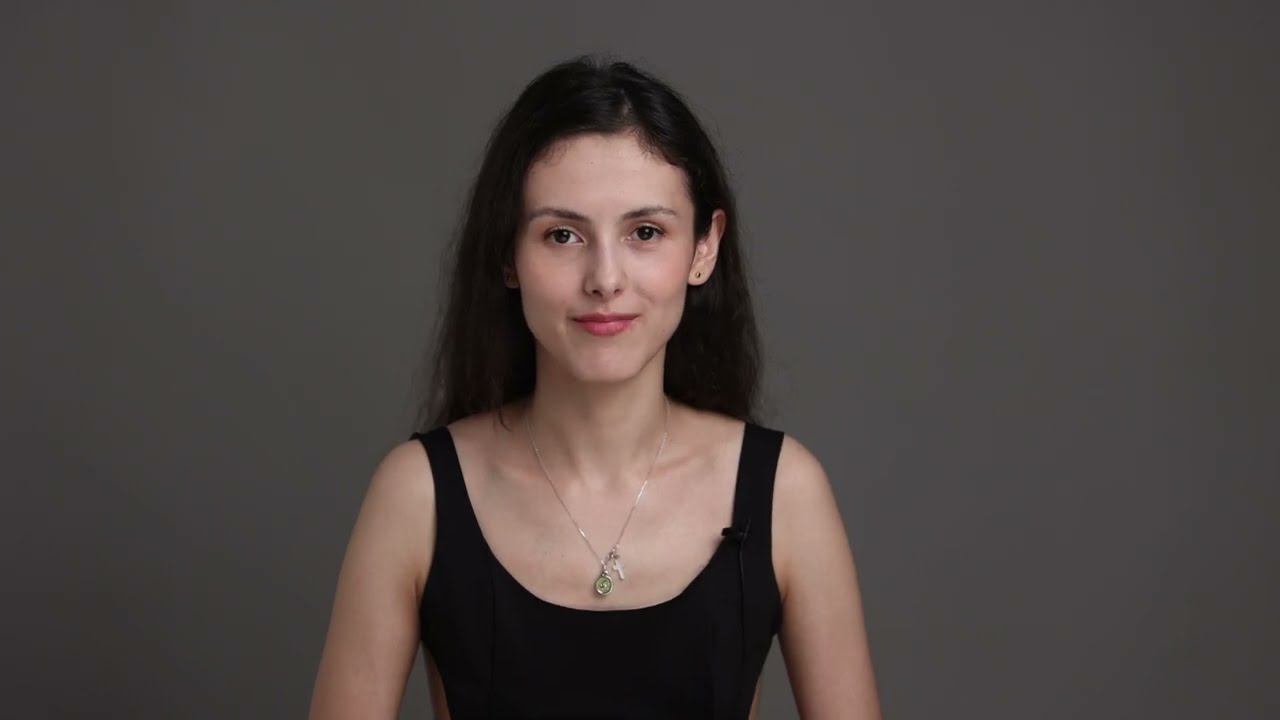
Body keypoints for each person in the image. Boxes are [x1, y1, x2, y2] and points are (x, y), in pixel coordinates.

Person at [308, 53, 881, 719]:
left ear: (704, 247)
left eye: (645, 232)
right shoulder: (416, 495)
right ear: (507, 254)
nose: (605, 279)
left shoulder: (786, 492)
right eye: (562, 235)